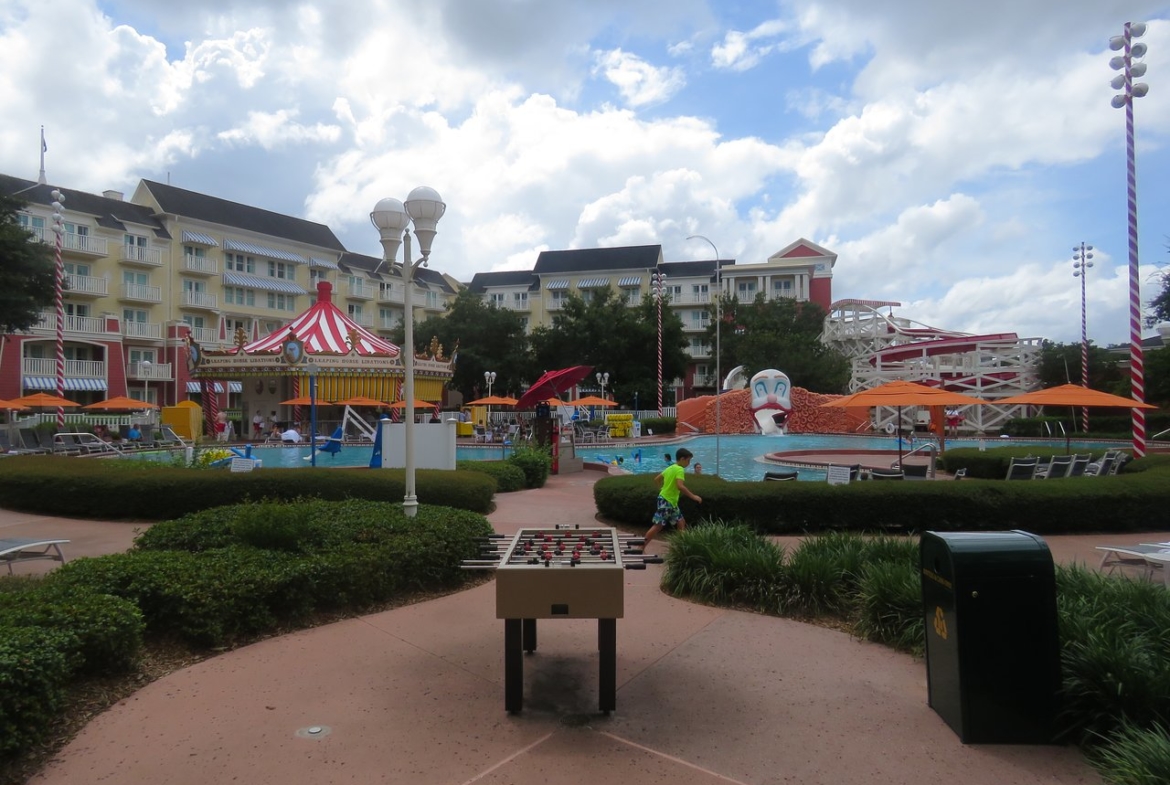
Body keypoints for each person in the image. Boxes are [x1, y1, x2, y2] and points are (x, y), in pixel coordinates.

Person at [644, 447, 701, 547]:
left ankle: (681, 546)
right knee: (658, 525)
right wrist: (694, 496)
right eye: (688, 460)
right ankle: (641, 547)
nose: (689, 463)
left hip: (671, 502)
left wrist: (661, 490)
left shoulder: (670, 468)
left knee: (681, 522)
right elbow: (680, 486)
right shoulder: (679, 469)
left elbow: (656, 479)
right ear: (682, 459)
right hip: (667, 501)